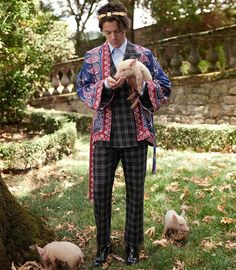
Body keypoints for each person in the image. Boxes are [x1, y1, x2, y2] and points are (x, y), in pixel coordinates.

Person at [76, 1, 171, 267]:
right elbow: (82, 88)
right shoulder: (92, 57)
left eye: (117, 31)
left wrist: (139, 87)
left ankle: (132, 246)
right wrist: (105, 85)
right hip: (104, 135)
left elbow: (165, 86)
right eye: (107, 33)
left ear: (125, 27)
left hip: (135, 133)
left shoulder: (143, 54)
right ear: (102, 31)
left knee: (135, 193)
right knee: (102, 191)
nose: (113, 38)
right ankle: (103, 245)